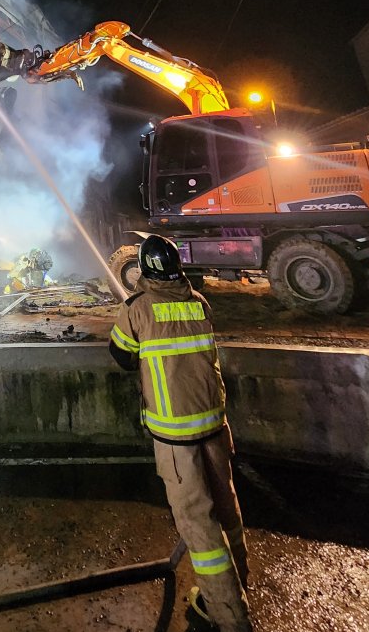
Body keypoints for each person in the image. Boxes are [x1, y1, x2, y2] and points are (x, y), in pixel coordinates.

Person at [109, 235, 251, 632]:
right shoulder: (199, 302)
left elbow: (121, 356)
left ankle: (229, 615)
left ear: (144, 268)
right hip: (215, 427)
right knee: (227, 508)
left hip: (176, 439)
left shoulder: (136, 308)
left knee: (199, 527)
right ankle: (239, 583)